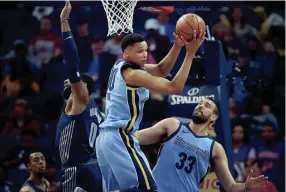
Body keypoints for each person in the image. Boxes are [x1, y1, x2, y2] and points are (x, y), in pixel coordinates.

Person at [96, 16, 205, 191]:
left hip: (104, 140)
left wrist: (177, 45)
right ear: (126, 53)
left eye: (146, 50)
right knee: (148, 188)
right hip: (120, 138)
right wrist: (190, 54)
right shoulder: (133, 75)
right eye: (140, 51)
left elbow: (162, 70)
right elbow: (174, 87)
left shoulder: (120, 66)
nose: (145, 54)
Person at [135, 98, 268, 192]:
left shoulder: (215, 148)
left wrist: (246, 186)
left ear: (214, 117)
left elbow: (230, 186)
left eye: (207, 106)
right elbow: (136, 138)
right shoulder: (173, 125)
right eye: (199, 104)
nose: (200, 106)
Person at [54, 1, 104, 192]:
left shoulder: (81, 100)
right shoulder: (97, 112)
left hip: (77, 170)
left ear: (84, 87)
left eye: (73, 82)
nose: (68, 82)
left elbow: (72, 63)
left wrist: (64, 21)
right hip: (93, 167)